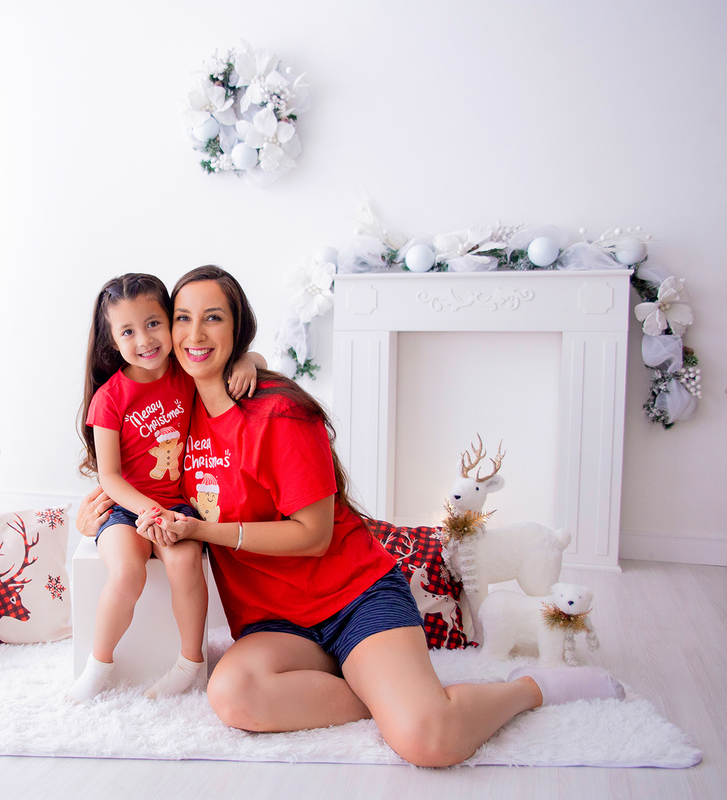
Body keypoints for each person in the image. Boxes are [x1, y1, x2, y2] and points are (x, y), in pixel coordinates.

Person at [77, 265, 625, 767]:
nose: (195, 334)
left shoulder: (279, 412)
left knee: (429, 740)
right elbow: (135, 470)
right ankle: (384, 695)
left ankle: (529, 689)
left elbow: (314, 537)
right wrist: (97, 518)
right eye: (182, 319)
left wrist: (202, 528)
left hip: (351, 597)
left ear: (238, 328)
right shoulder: (180, 407)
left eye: (213, 318)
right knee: (232, 695)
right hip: (274, 622)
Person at [67, 273, 263, 703]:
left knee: (185, 562)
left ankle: (190, 662)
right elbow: (110, 476)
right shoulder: (109, 398)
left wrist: (249, 360)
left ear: (171, 322)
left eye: (154, 323)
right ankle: (98, 665)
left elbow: (242, 359)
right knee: (126, 572)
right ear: (111, 340)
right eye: (128, 331)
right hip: (126, 508)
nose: (145, 339)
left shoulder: (185, 372)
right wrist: (146, 511)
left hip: (178, 505)